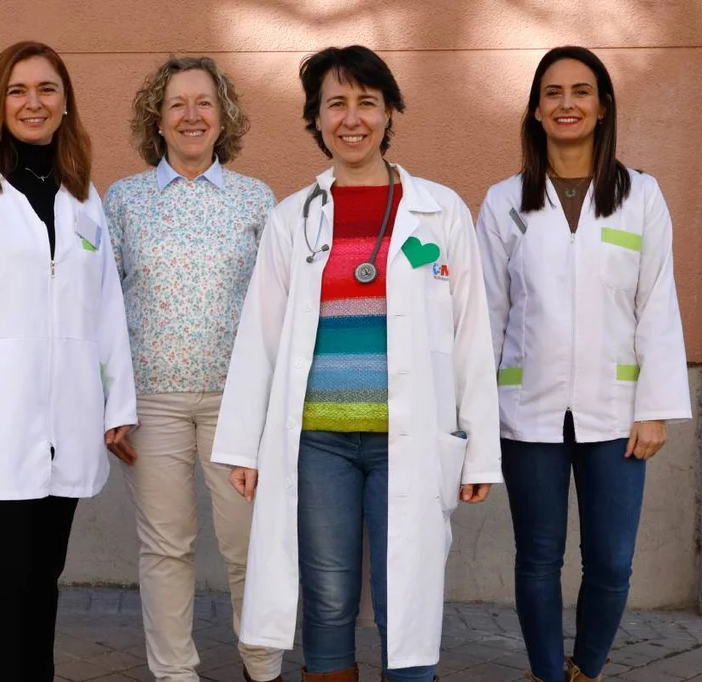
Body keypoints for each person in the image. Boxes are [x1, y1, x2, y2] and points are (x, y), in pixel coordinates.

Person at [211, 45, 502, 682]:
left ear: (389, 111)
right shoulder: (294, 219)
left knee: (409, 592)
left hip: (411, 436)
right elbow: (259, 336)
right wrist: (243, 446)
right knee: (328, 598)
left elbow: (472, 331)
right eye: (335, 104)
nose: (352, 118)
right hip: (319, 442)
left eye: (366, 103)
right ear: (314, 118)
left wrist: (479, 449)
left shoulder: (440, 210)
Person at [0, 40, 138, 681]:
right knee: (3, 572)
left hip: (68, 413)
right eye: (18, 90)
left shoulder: (83, 196)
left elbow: (106, 308)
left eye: (46, 90)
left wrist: (116, 401)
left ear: (65, 104)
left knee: (45, 575)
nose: (32, 103)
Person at [475, 46, 692, 682]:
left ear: (602, 108)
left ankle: (587, 668)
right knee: (537, 557)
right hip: (528, 412)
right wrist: (477, 413)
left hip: (617, 413)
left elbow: (657, 305)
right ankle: (546, 673)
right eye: (552, 93)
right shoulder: (504, 202)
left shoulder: (641, 197)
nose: (566, 103)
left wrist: (654, 409)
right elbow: (487, 314)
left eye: (581, 91)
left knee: (613, 560)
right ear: (536, 110)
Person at [104, 56, 284, 682]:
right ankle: (174, 672)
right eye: (176, 103)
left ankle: (261, 664)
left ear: (223, 116)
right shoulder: (123, 201)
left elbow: (278, 308)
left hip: (237, 404)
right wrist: (112, 403)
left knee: (246, 543)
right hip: (151, 402)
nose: (190, 116)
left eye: (203, 103)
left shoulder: (256, 200)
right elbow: (102, 307)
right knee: (166, 547)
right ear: (157, 118)